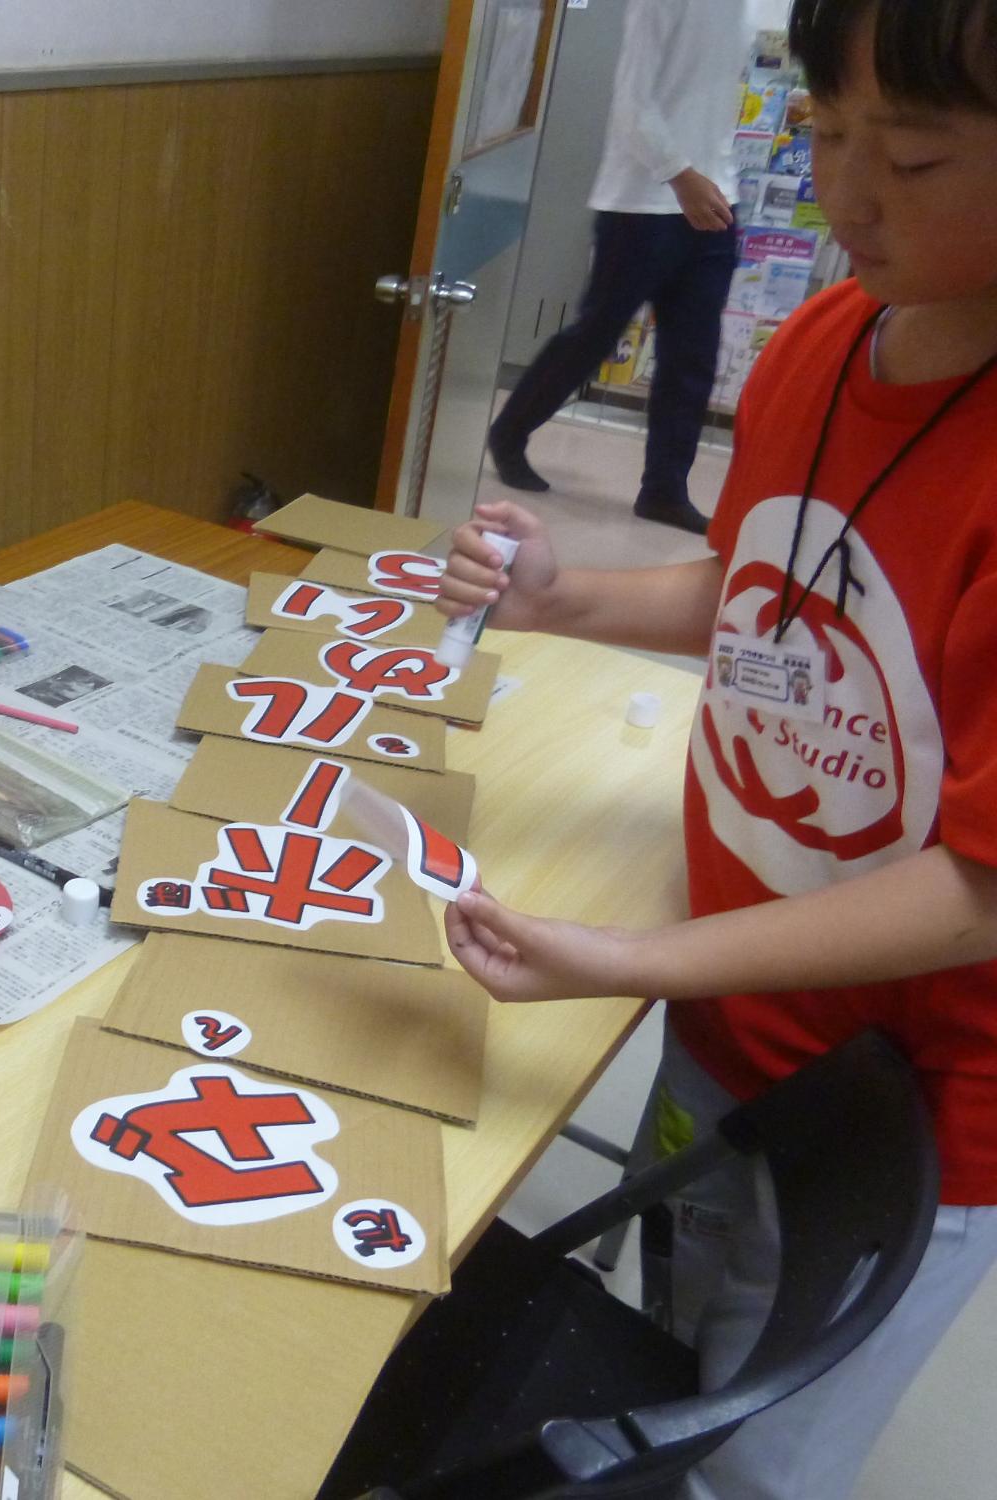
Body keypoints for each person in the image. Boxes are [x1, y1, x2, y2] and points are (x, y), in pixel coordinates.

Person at [438, 1, 997, 1493]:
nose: (847, 193)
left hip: (919, 1111)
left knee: (754, 1452)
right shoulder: (823, 335)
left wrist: (628, 965)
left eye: (919, 156)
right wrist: (566, 597)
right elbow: (757, 589)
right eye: (823, 133)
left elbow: (980, 886)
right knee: (675, 1336)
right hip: (728, 1008)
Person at [487, 0, 751, 536]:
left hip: (717, 197)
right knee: (596, 335)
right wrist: (682, 176)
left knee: (692, 355)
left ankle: (663, 490)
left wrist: (717, 181)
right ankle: (510, 432)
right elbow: (633, 103)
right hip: (641, 203)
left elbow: (715, 105)